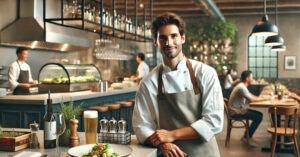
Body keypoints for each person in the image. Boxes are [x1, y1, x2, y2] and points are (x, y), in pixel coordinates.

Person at [132, 12, 224, 157]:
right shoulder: (148, 83)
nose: (169, 42)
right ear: (156, 42)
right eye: (163, 38)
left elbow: (214, 121)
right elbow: (141, 126)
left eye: (174, 36)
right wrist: (162, 143)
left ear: (183, 38)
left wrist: (172, 135)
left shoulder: (205, 73)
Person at [228, 70, 269, 147]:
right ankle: (246, 137)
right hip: (236, 112)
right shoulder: (241, 87)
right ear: (247, 79)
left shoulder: (242, 86)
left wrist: (261, 97)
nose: (252, 79)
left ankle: (247, 136)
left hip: (239, 109)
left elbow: (250, 95)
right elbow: (252, 99)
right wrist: (266, 99)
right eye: (251, 78)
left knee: (259, 115)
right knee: (259, 117)